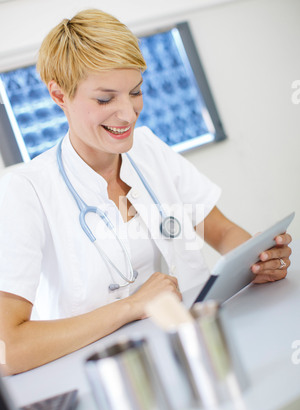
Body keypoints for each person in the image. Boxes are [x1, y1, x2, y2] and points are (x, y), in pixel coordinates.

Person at [0, 9, 292, 375]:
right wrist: (132, 306)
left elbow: (222, 232)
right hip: (106, 378)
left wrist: (257, 263)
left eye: (135, 92)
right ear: (59, 94)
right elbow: (7, 349)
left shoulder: (149, 148)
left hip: (195, 347)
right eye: (105, 100)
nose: (127, 114)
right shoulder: (27, 191)